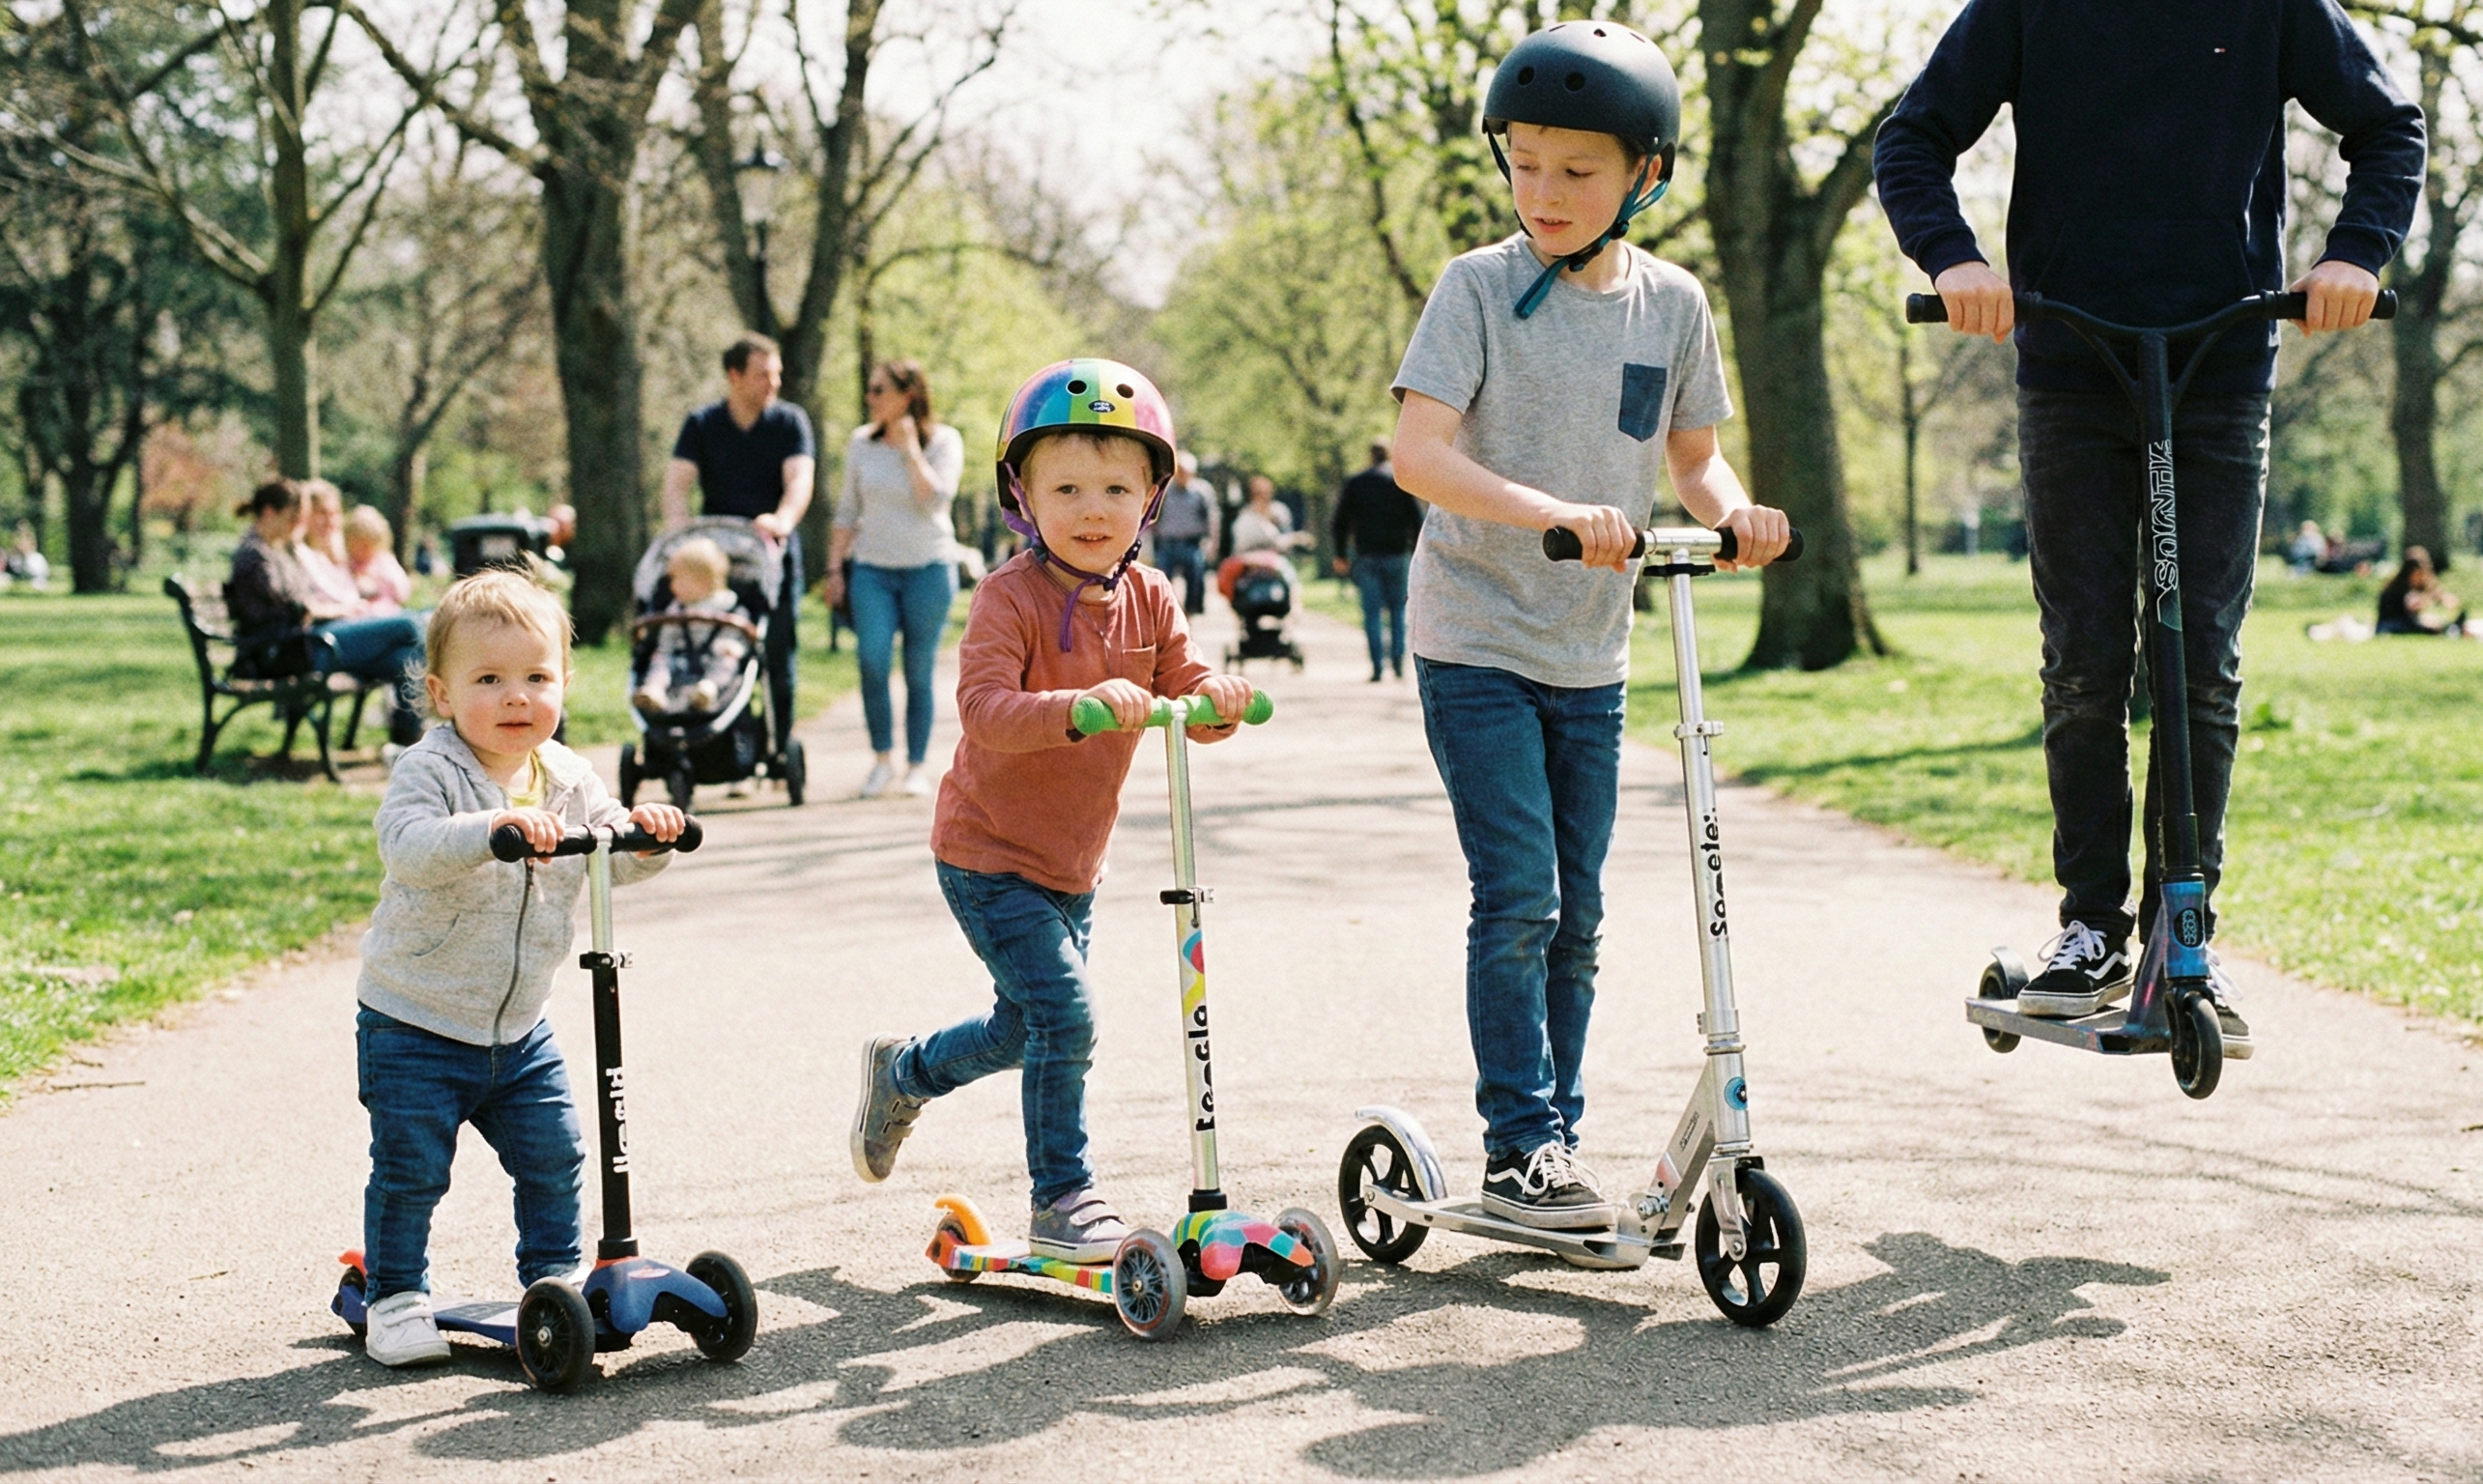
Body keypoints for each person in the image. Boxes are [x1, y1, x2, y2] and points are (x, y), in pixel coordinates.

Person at [1876, 0, 2422, 1040]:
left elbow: (2387, 126)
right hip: (2069, 359)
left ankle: (2184, 921)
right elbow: (1911, 138)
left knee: (2199, 659)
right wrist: (1952, 259)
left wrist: (2355, 251)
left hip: (2218, 360)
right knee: (2084, 658)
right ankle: (2088, 925)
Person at [1388, 22, 1789, 1228]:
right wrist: (1552, 511)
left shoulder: (1671, 304)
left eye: (1577, 171)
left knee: (1581, 911)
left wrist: (1737, 518)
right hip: (1473, 633)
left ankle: (1547, 1143)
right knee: (1520, 898)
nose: (1545, 193)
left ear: (1642, 178)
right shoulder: (1472, 290)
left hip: (1591, 649)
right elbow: (1417, 455)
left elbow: (1692, 460)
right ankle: (1520, 1145)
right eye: (1525, 165)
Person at [848, 358, 1253, 1261]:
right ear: (1021, 495)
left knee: (1023, 1027)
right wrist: (1080, 707)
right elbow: (985, 712)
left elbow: (1181, 693)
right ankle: (1062, 1197)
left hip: (1073, 865)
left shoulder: (1151, 596)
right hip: (987, 855)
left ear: (1152, 498)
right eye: (1065, 487)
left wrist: (1215, 700)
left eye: (1117, 486)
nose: (1091, 508)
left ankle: (905, 1071)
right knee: (1067, 1020)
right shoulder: (1007, 598)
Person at [352, 569, 685, 1366]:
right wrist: (491, 827)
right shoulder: (429, 771)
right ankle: (396, 1296)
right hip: (415, 1020)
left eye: (537, 678)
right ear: (440, 693)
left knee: (556, 1151)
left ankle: (553, 1284)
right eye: (490, 679)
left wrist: (649, 835)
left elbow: (611, 849)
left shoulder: (569, 776)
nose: (516, 697)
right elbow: (407, 846)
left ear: (564, 683)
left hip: (519, 1028)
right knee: (412, 1167)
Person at [662, 332, 818, 760]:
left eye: (777, 373)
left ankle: (778, 748)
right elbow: (677, 485)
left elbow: (799, 479)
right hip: (716, 556)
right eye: (763, 374)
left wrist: (782, 520)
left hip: (771, 551)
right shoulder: (702, 424)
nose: (774, 382)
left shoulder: (789, 423)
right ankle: (722, 745)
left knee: (777, 654)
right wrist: (679, 531)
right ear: (734, 376)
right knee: (712, 648)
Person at [824, 358, 965, 799]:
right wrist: (835, 569)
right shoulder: (860, 444)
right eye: (869, 389)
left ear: (907, 395)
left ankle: (916, 766)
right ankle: (882, 759)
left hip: (929, 569)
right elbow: (848, 508)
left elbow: (935, 501)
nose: (870, 397)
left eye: (878, 389)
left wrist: (909, 451)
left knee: (918, 672)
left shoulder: (944, 441)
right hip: (872, 570)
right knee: (872, 660)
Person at [224, 479, 428, 748]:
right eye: (292, 518)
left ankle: (408, 745)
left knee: (406, 658)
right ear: (269, 513)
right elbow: (297, 608)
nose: (297, 525)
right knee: (410, 625)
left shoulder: (271, 551)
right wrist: (331, 609)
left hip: (303, 645)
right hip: (291, 653)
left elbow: (299, 604)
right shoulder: (255, 556)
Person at [1331, 436, 1424, 681]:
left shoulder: (1357, 483)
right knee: (1397, 611)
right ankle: (1398, 663)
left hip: (1367, 554)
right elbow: (1416, 520)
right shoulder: (1399, 481)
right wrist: (1418, 551)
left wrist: (1340, 554)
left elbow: (1340, 522)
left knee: (1371, 613)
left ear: (1370, 455)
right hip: (1396, 554)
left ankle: (1377, 667)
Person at [633, 536, 752, 713]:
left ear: (702, 581)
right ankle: (655, 689)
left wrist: (734, 648)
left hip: (714, 659)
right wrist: (664, 649)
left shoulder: (730, 606)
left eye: (677, 580)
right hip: (681, 659)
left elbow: (740, 639)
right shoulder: (677, 608)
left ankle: (708, 689)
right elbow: (668, 637)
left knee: (728, 658)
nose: (671, 586)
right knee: (661, 659)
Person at [1153, 449, 1219, 616]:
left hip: (1192, 543)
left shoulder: (1202, 491)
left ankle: (1189, 617)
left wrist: (1213, 542)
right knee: (1161, 583)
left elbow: (1212, 518)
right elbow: (1153, 516)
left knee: (1196, 582)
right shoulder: (1164, 491)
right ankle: (1166, 617)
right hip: (1167, 543)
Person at [2375, 546, 2462, 635]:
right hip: (2390, 624)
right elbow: (2412, 606)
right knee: (2430, 629)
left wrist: (2443, 598)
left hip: (2403, 623)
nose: (2419, 578)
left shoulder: (2418, 586)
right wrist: (2429, 598)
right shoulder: (2398, 587)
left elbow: (2447, 599)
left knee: (2433, 624)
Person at [346, 506, 414, 614]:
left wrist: (381, 581)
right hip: (365, 616)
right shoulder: (347, 564)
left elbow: (403, 593)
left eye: (368, 545)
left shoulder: (384, 560)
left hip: (390, 612)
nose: (364, 550)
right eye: (359, 544)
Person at [1229, 475, 1308, 556]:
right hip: (1248, 561)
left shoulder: (1280, 510)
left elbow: (1286, 534)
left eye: (1269, 491)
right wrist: (1296, 538)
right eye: (1261, 493)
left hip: (1277, 559)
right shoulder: (1244, 520)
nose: (1267, 495)